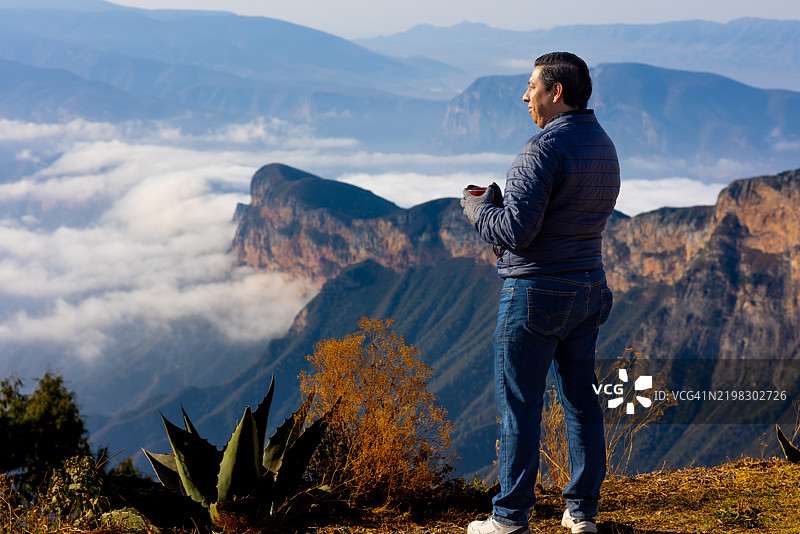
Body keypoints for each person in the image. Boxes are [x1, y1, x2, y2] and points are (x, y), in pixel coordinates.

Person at [460, 52, 620, 534]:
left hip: (536, 293)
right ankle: (583, 514)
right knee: (581, 400)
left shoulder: (540, 150)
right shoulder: (603, 143)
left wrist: (478, 208)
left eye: (532, 86)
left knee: (520, 407)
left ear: (556, 92)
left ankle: (509, 519)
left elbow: (516, 230)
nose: (525, 95)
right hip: (589, 286)